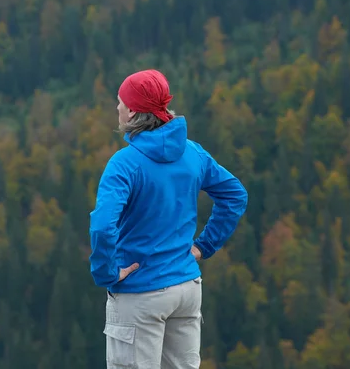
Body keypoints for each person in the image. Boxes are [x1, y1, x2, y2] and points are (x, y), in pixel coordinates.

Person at [89, 69, 248, 369]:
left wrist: (106, 273)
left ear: (134, 111)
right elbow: (235, 195)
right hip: (186, 287)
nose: (118, 107)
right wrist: (203, 247)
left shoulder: (124, 164)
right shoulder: (192, 153)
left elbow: (102, 225)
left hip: (140, 292)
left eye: (121, 102)